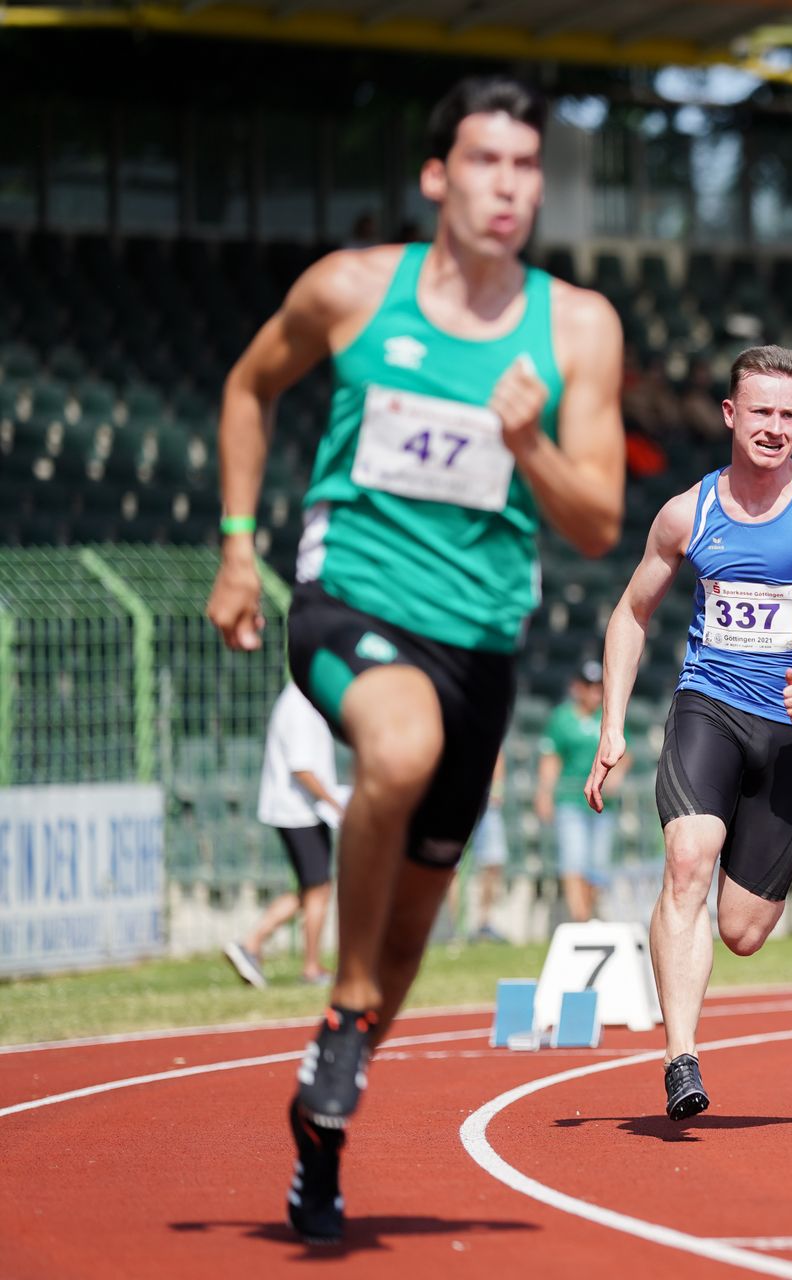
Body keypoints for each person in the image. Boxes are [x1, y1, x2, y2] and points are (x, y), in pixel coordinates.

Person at [204, 76, 625, 1247]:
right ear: (438, 177)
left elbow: (595, 523)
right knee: (400, 742)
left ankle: (321, 1137)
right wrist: (240, 550)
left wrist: (528, 439)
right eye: (486, 162)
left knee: (406, 946)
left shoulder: (578, 326)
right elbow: (248, 387)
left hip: (479, 641)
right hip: (348, 598)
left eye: (528, 166)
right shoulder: (350, 289)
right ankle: (338, 1007)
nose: (509, 187)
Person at [587, 344, 792, 1123]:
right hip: (709, 703)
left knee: (744, 930)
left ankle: (717, 959)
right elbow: (631, 612)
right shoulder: (689, 513)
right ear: (731, 414)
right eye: (761, 412)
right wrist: (612, 724)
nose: (775, 428)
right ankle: (680, 1057)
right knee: (687, 860)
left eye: (790, 416)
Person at [224, 683, 348, 989]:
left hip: (303, 810)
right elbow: (301, 768)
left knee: (314, 888)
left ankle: (252, 944)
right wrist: (336, 805)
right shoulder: (300, 705)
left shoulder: (305, 701)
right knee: (318, 888)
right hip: (298, 811)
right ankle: (306, 965)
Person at [538, 660, 626, 922]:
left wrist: (617, 775)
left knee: (597, 865)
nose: (594, 693)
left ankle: (588, 915)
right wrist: (545, 793)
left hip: (602, 804)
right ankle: (580, 918)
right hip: (569, 799)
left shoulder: (607, 717)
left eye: (598, 687)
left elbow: (625, 751)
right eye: (589, 687)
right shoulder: (562, 718)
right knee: (574, 859)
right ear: (577, 688)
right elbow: (551, 758)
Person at [465, 751, 509, 943]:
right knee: (451, 867)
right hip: (456, 798)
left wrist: (497, 788)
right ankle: (457, 928)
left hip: (486, 800)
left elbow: (496, 751)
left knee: (493, 862)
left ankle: (484, 923)